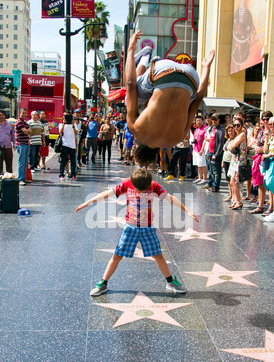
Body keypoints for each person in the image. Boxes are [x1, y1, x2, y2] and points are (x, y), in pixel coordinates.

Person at [75, 168, 198, 296]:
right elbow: (107, 193)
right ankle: (103, 283)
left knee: (158, 256)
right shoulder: (126, 184)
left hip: (148, 229)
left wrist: (187, 211)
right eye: (139, 190)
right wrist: (89, 202)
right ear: (133, 184)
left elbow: (171, 198)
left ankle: (171, 282)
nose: (142, 192)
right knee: (117, 256)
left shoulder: (154, 186)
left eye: (145, 190)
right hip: (130, 228)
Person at [125, 30, 215, 164]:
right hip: (161, 71)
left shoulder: (176, 139)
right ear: (137, 146)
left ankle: (151, 64)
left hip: (191, 77)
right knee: (129, 98)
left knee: (187, 101)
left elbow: (197, 100)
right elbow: (131, 84)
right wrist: (130, 50)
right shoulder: (136, 129)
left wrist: (206, 68)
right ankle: (145, 58)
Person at [250, 111, 273, 215]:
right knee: (260, 182)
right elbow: (256, 143)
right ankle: (260, 205)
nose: (265, 121)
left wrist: (263, 149)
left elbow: (271, 147)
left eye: (267, 119)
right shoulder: (261, 131)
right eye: (263, 119)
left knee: (271, 184)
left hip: (271, 158)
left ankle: (271, 207)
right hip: (260, 159)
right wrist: (257, 148)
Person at [227, 117, 247, 210]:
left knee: (235, 182)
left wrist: (231, 145)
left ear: (242, 126)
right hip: (235, 160)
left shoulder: (242, 135)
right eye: (234, 125)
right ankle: (236, 200)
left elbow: (232, 145)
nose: (236, 127)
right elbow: (228, 146)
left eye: (238, 125)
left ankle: (238, 201)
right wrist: (231, 145)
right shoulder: (237, 135)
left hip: (239, 160)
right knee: (232, 181)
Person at [58, 110, 78, 180]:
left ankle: (73, 174)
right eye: (65, 116)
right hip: (65, 144)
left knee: (73, 161)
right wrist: (64, 124)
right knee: (63, 160)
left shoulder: (74, 124)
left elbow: (76, 133)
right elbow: (60, 132)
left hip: (72, 145)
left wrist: (73, 125)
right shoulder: (61, 124)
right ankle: (61, 174)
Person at [244, 123, 261, 201]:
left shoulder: (260, 139)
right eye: (256, 129)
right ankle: (248, 195)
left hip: (256, 159)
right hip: (248, 158)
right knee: (248, 178)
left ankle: (255, 196)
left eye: (259, 129)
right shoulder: (249, 138)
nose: (257, 131)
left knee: (255, 178)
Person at [15, 108, 32, 185]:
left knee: (25, 162)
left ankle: (24, 178)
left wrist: (27, 131)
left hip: (26, 144)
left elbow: (30, 131)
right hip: (21, 144)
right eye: (23, 113)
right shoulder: (19, 122)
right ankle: (20, 179)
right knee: (21, 162)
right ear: (20, 113)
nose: (24, 114)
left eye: (25, 113)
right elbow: (26, 131)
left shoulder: (24, 123)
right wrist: (27, 131)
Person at [208, 114, 225, 192]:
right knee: (211, 170)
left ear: (218, 119)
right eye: (212, 119)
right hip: (210, 152)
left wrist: (216, 154)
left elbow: (220, 144)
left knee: (216, 171)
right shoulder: (212, 128)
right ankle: (212, 184)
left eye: (215, 119)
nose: (213, 121)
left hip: (216, 153)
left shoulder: (220, 130)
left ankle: (216, 186)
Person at [222, 124, 235, 202]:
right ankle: (230, 194)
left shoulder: (235, 139)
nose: (230, 132)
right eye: (229, 131)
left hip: (232, 161)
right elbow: (225, 151)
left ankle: (234, 195)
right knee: (228, 179)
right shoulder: (228, 140)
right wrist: (222, 161)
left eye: (231, 131)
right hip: (226, 159)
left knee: (232, 179)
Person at [192, 116, 207, 184]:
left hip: (202, 150)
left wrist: (202, 149)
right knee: (198, 164)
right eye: (197, 121)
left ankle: (205, 178)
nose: (198, 122)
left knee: (203, 164)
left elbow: (206, 140)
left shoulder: (205, 129)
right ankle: (200, 177)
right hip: (196, 149)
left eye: (199, 120)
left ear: (203, 121)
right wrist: (193, 150)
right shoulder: (196, 130)